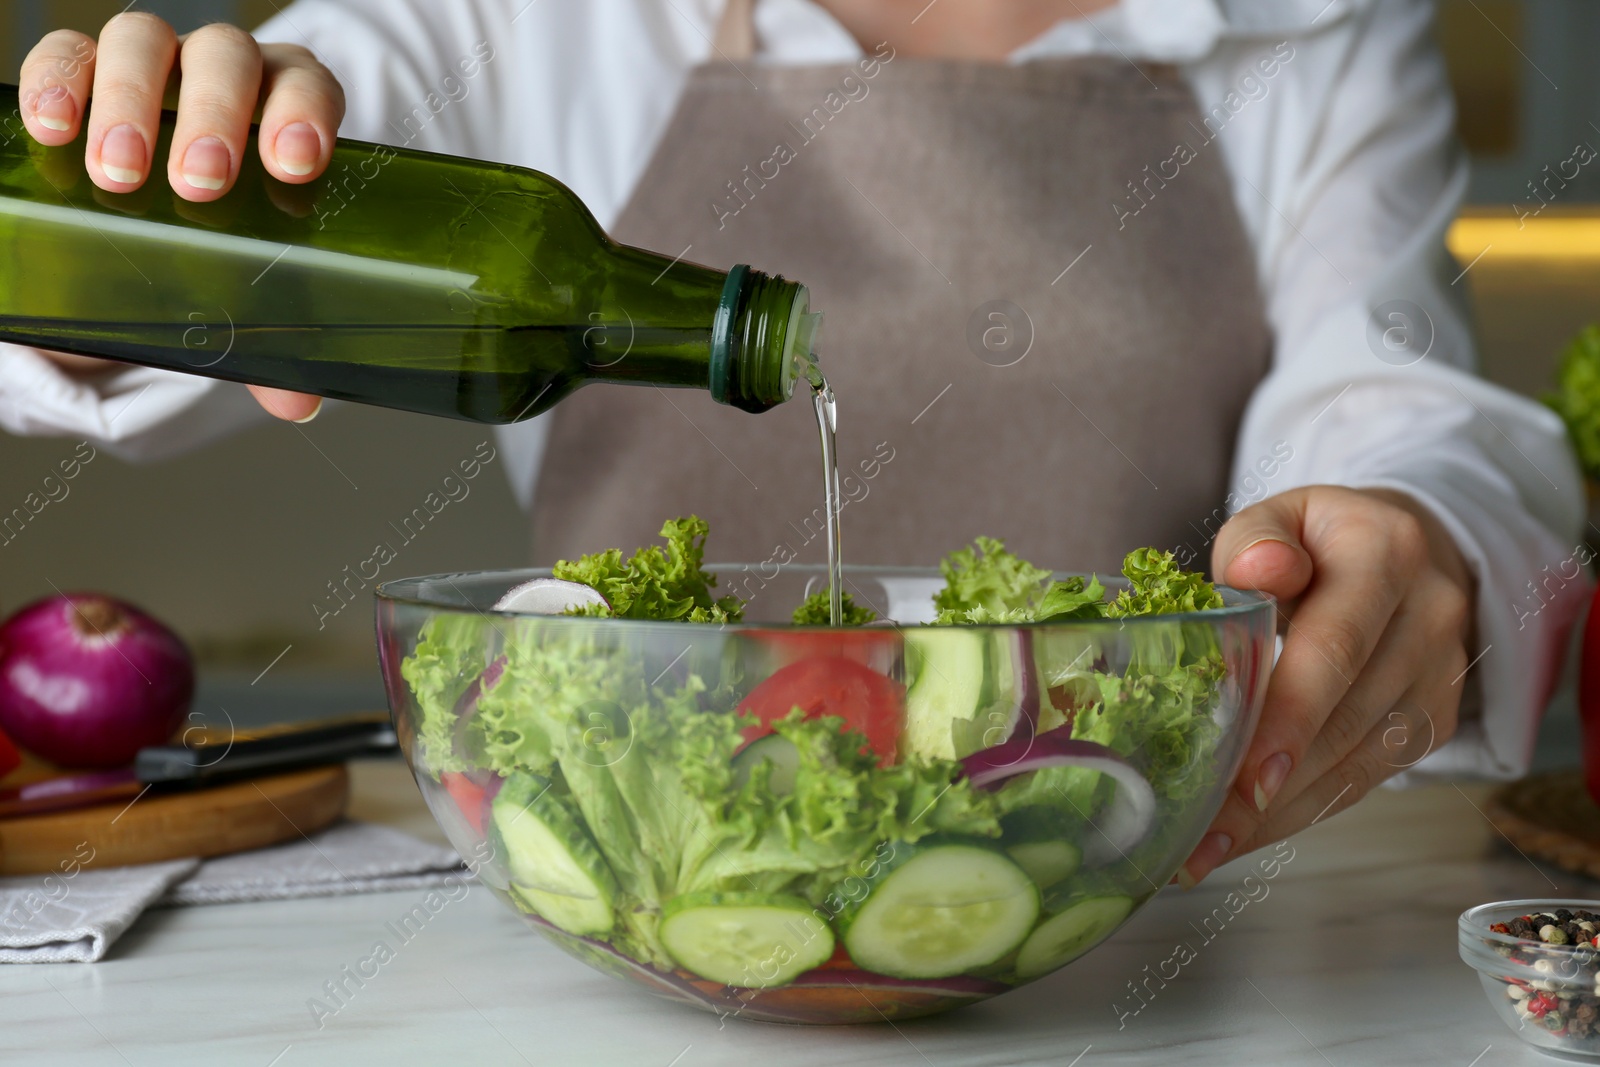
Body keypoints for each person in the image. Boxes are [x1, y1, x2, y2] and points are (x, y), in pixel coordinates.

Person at [1, 0, 1587, 889]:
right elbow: (130, 335)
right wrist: (141, 213)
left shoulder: (1316, 29)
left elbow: (1389, 391)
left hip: (1130, 912)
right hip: (624, 907)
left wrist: (1411, 528)